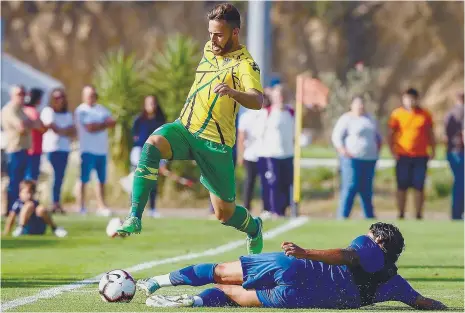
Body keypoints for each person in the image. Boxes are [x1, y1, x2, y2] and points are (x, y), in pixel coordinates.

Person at [117, 3, 265, 255]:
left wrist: (232, 92)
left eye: (219, 34)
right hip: (184, 129)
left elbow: (257, 100)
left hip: (215, 144)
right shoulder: (209, 48)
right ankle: (135, 216)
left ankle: (254, 228)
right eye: (210, 33)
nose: (213, 39)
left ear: (235, 32)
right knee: (151, 145)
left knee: (224, 213)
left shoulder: (245, 65)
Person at [136, 222, 446, 310]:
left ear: (380, 241)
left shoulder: (370, 249)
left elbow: (346, 255)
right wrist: (444, 308)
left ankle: (157, 282)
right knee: (229, 293)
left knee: (220, 272)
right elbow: (422, 303)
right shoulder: (396, 283)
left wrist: (304, 251)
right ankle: (190, 302)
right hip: (306, 299)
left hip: (295, 268)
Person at [387, 88, 436, 220]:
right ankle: (401, 213)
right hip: (403, 155)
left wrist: (433, 149)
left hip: (420, 156)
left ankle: (418, 214)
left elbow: (430, 134)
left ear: (416, 99)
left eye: (412, 98)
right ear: (403, 99)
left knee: (419, 186)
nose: (409, 101)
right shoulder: (397, 114)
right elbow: (390, 134)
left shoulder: (425, 115)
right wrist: (392, 151)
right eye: (407, 98)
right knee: (401, 186)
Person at [332, 96, 381, 219]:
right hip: (352, 159)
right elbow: (336, 137)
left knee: (366, 190)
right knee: (350, 186)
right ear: (352, 105)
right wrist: (343, 151)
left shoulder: (370, 119)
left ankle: (369, 217)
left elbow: (377, 136)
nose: (360, 106)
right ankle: (342, 216)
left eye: (362, 104)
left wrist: (376, 150)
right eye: (358, 104)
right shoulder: (346, 119)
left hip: (369, 160)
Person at [75, 85, 116, 216]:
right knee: (84, 179)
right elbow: (90, 127)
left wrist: (101, 124)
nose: (90, 97)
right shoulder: (81, 110)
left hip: (101, 150)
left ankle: (101, 206)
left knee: (101, 180)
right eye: (88, 95)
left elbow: (112, 122)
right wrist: (103, 124)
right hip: (87, 149)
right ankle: (81, 206)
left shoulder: (102, 109)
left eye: (92, 95)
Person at [1, 85, 42, 214]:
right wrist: (29, 125)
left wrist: (28, 124)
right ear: (12, 95)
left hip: (24, 150)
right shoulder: (9, 110)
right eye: (19, 94)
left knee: (22, 183)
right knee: (12, 183)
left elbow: (38, 125)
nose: (22, 96)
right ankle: (10, 210)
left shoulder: (22, 111)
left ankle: (19, 210)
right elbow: (22, 128)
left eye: (24, 93)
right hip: (13, 150)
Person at [256, 82, 295, 218]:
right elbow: (259, 134)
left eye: (282, 95)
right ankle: (275, 211)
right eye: (278, 95)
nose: (281, 98)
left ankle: (283, 210)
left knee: (286, 184)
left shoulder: (290, 111)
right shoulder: (267, 112)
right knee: (274, 184)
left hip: (288, 154)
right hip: (272, 154)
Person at [40, 88, 76, 214]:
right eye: (56, 98)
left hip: (64, 149)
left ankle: (56, 203)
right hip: (50, 149)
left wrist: (62, 130)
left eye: (61, 97)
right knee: (51, 177)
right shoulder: (48, 111)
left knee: (60, 178)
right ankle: (48, 203)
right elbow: (52, 127)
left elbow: (72, 130)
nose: (59, 100)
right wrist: (63, 130)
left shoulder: (67, 114)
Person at [131, 95, 167, 218]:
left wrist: (163, 161)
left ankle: (152, 208)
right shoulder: (139, 120)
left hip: (154, 153)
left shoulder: (160, 121)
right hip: (140, 153)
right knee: (139, 182)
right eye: (149, 103)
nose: (151, 105)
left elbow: (163, 139)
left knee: (152, 182)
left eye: (153, 103)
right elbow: (135, 139)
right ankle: (134, 209)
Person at [237, 93, 271, 212]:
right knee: (250, 182)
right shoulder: (247, 115)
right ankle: (248, 206)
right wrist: (241, 155)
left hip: (263, 154)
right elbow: (241, 137)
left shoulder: (265, 113)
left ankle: (264, 207)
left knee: (262, 182)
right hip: (251, 154)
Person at [2, 180, 67, 237]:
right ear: (20, 193)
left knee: (41, 209)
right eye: (26, 193)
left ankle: (55, 229)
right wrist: (6, 231)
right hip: (26, 230)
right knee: (29, 205)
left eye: (31, 193)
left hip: (39, 229)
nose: (29, 195)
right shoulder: (18, 203)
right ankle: (20, 228)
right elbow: (11, 217)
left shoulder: (35, 203)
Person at [444, 91, 464, 220]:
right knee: (460, 183)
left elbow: (445, 136)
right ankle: (457, 214)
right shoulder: (461, 112)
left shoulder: (449, 113)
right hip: (459, 152)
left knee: (459, 183)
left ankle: (456, 214)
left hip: (453, 152)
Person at [23, 88, 46, 181]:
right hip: (34, 149)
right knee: (31, 178)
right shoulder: (33, 112)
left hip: (27, 149)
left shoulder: (23, 110)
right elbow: (41, 128)